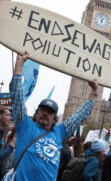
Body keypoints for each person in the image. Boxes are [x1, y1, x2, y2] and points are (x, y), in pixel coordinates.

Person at [9, 52, 99, 181]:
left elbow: (78, 117)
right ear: (36, 113)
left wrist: (94, 93)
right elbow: (17, 97)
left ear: (54, 118)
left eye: (50, 112)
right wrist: (19, 65)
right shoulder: (25, 126)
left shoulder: (59, 132)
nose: (45, 113)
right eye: (42, 110)